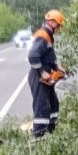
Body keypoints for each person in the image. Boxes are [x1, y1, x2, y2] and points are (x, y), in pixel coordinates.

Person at [28, 9, 66, 138]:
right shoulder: (43, 35)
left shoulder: (49, 36)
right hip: (38, 77)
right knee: (42, 107)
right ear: (52, 23)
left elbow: (48, 56)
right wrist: (42, 73)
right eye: (59, 26)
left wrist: (56, 66)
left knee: (53, 104)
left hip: (46, 73)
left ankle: (51, 132)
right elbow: (33, 56)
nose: (59, 29)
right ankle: (38, 135)